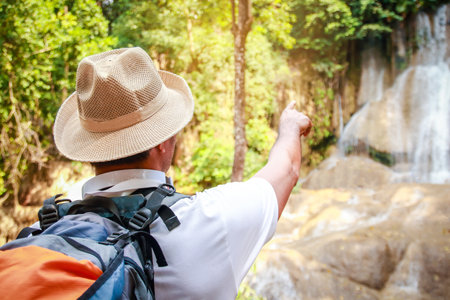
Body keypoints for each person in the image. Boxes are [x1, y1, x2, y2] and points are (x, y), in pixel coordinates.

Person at [53, 47, 312, 299]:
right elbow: (286, 169)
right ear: (162, 140)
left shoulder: (48, 233)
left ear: (89, 150)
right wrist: (289, 127)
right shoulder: (211, 220)